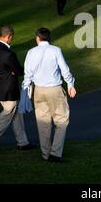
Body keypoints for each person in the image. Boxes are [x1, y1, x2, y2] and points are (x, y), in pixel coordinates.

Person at [22, 27, 77, 163]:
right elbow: (65, 70)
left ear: (37, 38)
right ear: (48, 38)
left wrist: (25, 90)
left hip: (38, 90)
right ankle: (55, 153)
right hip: (54, 89)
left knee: (43, 123)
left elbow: (27, 74)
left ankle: (45, 154)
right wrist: (70, 84)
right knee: (62, 121)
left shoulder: (31, 52)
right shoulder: (56, 50)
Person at [0, 26, 34, 150]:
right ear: (9, 36)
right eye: (11, 38)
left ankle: (23, 142)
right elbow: (19, 71)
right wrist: (15, 71)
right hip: (9, 91)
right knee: (6, 117)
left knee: (17, 115)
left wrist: (11, 71)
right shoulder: (8, 54)